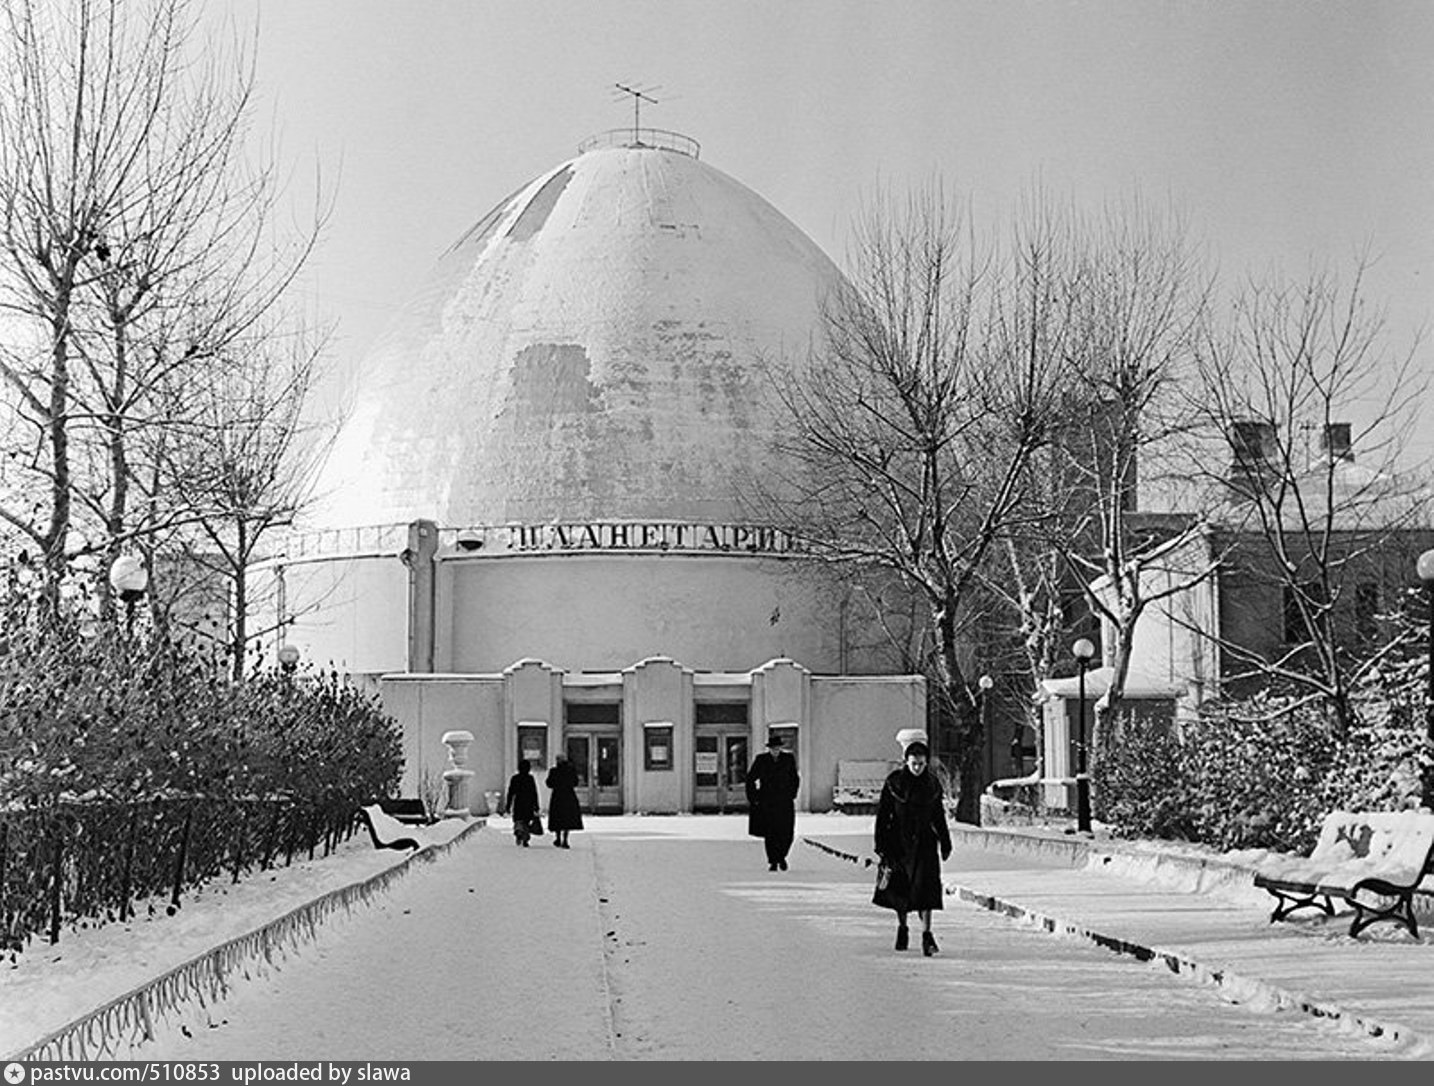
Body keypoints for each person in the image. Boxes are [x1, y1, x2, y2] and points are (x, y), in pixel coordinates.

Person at [873, 739, 952, 956]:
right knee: (901, 890)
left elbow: (938, 816)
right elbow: (883, 816)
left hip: (925, 843)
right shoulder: (894, 783)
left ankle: (927, 934)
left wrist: (945, 841)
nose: (918, 768)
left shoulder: (932, 785)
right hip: (898, 843)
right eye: (914, 763)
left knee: (927, 888)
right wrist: (881, 844)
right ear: (906, 762)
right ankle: (903, 927)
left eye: (921, 764)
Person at [745, 733, 800, 871]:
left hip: (784, 801)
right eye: (773, 748)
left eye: (777, 748)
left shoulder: (788, 759)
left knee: (787, 832)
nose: (775, 750)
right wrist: (754, 797)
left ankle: (782, 856)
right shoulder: (761, 760)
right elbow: (751, 778)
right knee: (771, 833)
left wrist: (792, 794)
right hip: (768, 802)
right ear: (769, 749)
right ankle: (773, 861)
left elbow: (795, 778)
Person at [545, 753, 584, 849]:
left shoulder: (554, 771)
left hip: (557, 796)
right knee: (567, 818)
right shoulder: (570, 770)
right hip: (568, 796)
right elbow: (575, 782)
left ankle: (558, 838)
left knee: (557, 817)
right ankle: (565, 839)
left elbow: (549, 783)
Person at [505, 759, 540, 847]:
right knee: (526, 821)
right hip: (528, 802)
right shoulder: (530, 778)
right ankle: (525, 838)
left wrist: (508, 805)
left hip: (518, 802)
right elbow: (534, 792)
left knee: (518, 820)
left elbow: (511, 792)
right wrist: (536, 805)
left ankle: (519, 833)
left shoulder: (515, 778)